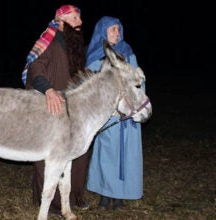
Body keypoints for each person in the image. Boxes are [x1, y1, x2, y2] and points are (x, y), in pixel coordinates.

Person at [21, 4, 90, 215]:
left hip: (72, 106)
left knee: (79, 151)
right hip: (49, 103)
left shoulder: (74, 44)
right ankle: (51, 203)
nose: (80, 22)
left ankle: (74, 196)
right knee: (47, 155)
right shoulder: (48, 40)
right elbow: (35, 67)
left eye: (79, 17)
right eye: (75, 18)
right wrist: (48, 90)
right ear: (61, 20)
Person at [85, 16, 145, 210]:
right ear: (103, 32)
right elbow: (91, 87)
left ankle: (119, 195)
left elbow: (138, 81)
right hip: (108, 115)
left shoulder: (128, 53)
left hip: (128, 115)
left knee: (126, 154)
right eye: (112, 30)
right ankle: (104, 194)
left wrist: (136, 105)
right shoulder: (96, 56)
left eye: (118, 30)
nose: (117, 34)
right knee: (106, 154)